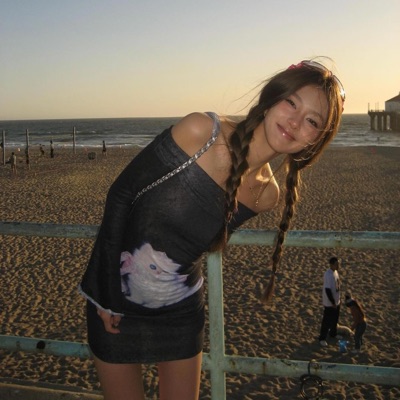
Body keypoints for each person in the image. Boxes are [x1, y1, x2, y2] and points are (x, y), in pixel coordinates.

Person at [79, 58, 345, 399]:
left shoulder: (266, 196)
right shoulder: (202, 132)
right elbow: (121, 195)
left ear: (314, 141)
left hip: (180, 314)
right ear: (270, 99)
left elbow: (193, 242)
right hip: (115, 302)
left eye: (312, 121)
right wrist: (104, 296)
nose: (295, 121)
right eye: (291, 102)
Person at [318, 257, 342, 347]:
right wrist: (332, 302)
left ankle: (333, 333)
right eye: (336, 264)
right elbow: (327, 290)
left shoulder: (335, 272)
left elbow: (337, 286)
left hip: (336, 300)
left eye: (338, 264)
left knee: (335, 319)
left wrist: (338, 300)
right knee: (327, 321)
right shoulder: (328, 274)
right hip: (329, 303)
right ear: (331, 265)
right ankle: (322, 338)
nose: (338, 266)